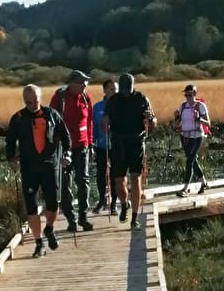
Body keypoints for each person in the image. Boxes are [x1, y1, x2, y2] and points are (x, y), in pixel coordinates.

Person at [5, 84, 67, 258]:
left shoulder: (52, 115)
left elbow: (65, 137)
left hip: (50, 165)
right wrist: (11, 158)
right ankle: (39, 243)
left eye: (34, 101)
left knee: (53, 204)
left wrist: (67, 154)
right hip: (29, 167)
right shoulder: (18, 118)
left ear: (41, 98)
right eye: (28, 102)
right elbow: (10, 141)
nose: (31, 105)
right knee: (31, 207)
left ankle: (49, 228)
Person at [103, 73, 155, 228]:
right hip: (118, 143)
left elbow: (153, 122)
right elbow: (105, 119)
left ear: (134, 85)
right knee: (119, 182)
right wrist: (105, 120)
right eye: (124, 89)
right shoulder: (113, 101)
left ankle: (134, 217)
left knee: (135, 178)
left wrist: (150, 119)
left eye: (128, 89)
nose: (126, 92)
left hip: (136, 142)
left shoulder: (142, 99)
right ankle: (124, 203)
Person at [48, 70, 94, 232]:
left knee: (83, 181)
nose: (85, 85)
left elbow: (89, 122)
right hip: (64, 147)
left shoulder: (86, 98)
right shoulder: (60, 98)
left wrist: (90, 143)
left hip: (82, 145)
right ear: (72, 83)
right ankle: (70, 220)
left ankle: (83, 217)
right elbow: (51, 121)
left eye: (86, 83)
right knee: (65, 184)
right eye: (82, 83)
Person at [173, 84, 210, 196]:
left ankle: (185, 187)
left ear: (194, 94)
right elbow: (177, 123)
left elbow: (208, 123)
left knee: (189, 160)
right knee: (192, 160)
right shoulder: (182, 106)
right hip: (184, 136)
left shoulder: (200, 106)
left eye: (190, 94)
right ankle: (203, 182)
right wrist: (176, 117)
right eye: (186, 94)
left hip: (197, 136)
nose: (188, 97)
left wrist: (199, 118)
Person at [90, 78, 115, 213]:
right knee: (101, 174)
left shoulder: (120, 105)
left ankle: (114, 203)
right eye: (111, 89)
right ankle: (101, 200)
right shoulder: (98, 107)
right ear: (105, 90)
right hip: (101, 145)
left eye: (116, 89)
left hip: (117, 145)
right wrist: (92, 144)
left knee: (116, 174)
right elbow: (93, 127)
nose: (114, 91)